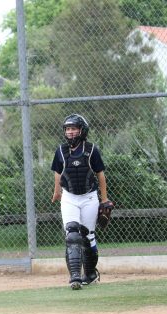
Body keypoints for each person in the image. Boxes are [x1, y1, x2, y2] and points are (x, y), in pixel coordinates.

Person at [51, 113, 111, 290]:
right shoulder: (61, 150)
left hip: (89, 197)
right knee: (72, 235)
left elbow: (100, 175)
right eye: (67, 129)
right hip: (69, 197)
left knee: (87, 236)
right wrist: (57, 192)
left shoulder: (91, 150)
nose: (70, 132)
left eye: (73, 129)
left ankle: (90, 274)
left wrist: (104, 199)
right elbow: (57, 173)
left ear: (82, 130)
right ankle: (75, 277)